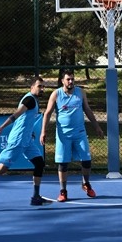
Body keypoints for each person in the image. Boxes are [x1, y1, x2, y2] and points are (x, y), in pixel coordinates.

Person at [0, 76, 49, 207]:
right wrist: (1, 127)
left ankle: (36, 196)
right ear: (32, 87)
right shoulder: (29, 100)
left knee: (39, 163)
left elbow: (25, 120)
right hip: (18, 140)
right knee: (2, 168)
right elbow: (16, 115)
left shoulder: (33, 100)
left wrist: (30, 132)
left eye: (43, 86)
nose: (42, 89)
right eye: (39, 86)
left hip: (27, 140)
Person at [39, 69, 104, 202]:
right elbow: (48, 113)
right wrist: (43, 131)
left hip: (80, 133)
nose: (70, 81)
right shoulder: (56, 94)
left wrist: (97, 127)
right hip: (63, 135)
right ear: (62, 81)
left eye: (72, 79)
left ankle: (86, 184)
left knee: (86, 160)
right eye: (68, 79)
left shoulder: (80, 93)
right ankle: (63, 191)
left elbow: (87, 110)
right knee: (63, 164)